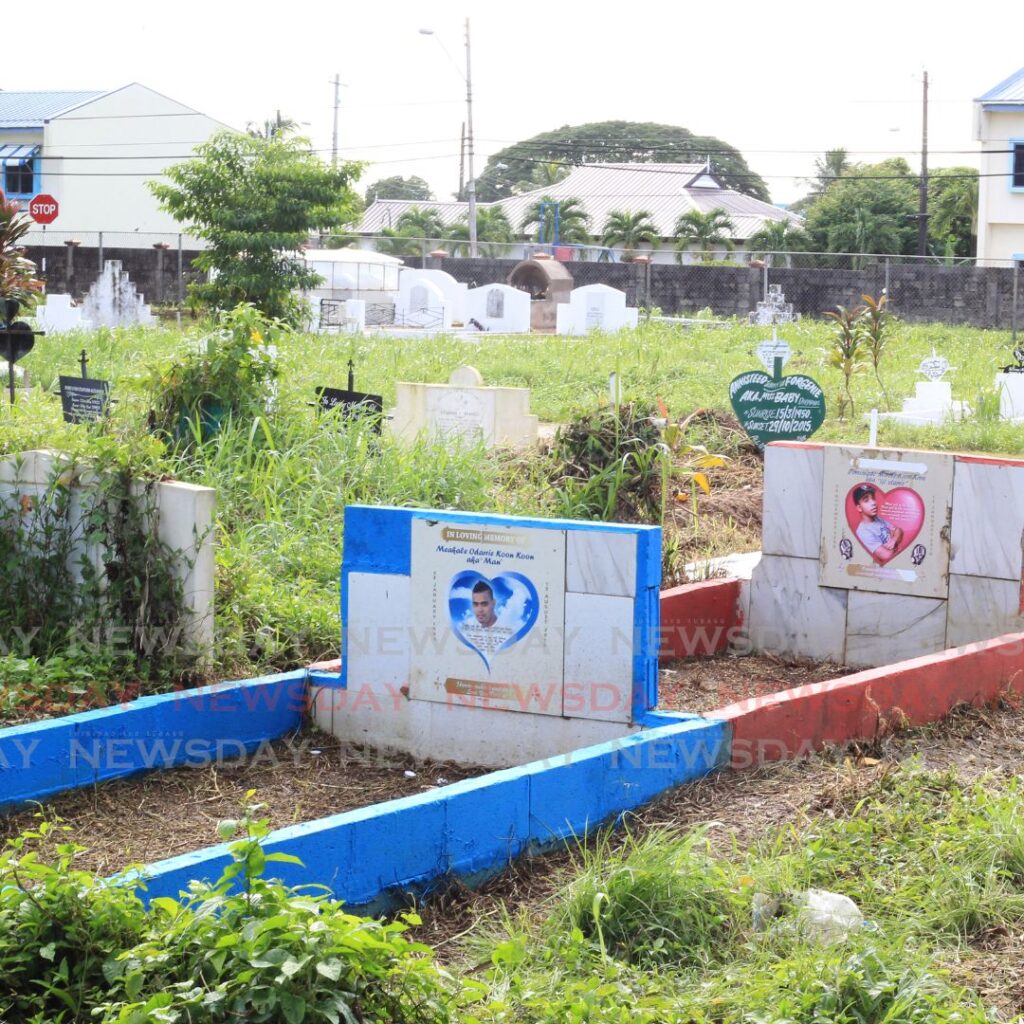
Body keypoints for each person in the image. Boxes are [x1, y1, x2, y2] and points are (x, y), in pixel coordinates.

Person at [852, 484, 903, 565]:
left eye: (873, 498)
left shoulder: (877, 518)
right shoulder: (863, 531)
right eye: (866, 500)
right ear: (859, 508)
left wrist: (893, 540)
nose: (873, 503)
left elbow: (899, 530)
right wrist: (895, 538)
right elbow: (887, 556)